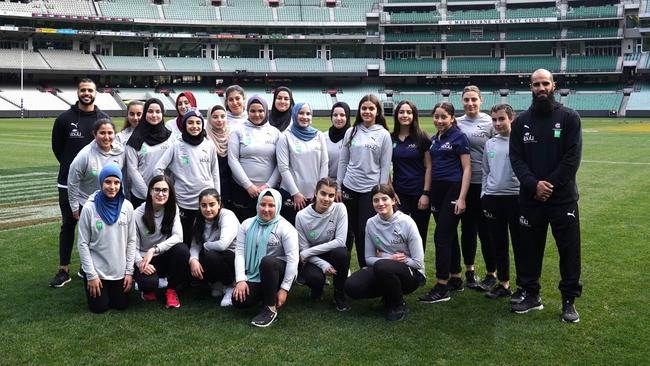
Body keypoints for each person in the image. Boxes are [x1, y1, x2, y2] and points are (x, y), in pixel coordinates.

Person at [509, 69, 583, 323]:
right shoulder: (520, 122)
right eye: (536, 84)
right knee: (529, 250)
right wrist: (533, 185)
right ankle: (531, 295)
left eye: (545, 83)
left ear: (553, 85)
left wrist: (548, 184)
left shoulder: (570, 117)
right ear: (530, 87)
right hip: (530, 199)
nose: (541, 88)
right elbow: (516, 159)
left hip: (563, 199)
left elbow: (572, 158)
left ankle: (569, 301)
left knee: (569, 251)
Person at [50, 78, 109, 288]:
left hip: (96, 187)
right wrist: (72, 168)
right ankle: (63, 270)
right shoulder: (65, 119)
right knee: (68, 225)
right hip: (68, 183)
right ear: (78, 92)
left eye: (90, 90)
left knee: (96, 228)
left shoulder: (103, 118)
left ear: (96, 92)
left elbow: (108, 148)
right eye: (83, 90)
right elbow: (57, 147)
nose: (86, 93)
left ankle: (87, 268)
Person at [344, 184, 425, 322]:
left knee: (383, 266)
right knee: (351, 286)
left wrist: (385, 258)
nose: (380, 203)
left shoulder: (407, 222)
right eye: (376, 200)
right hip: (383, 266)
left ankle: (397, 304)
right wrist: (390, 258)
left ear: (393, 200)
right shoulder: (370, 223)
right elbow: (368, 258)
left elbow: (418, 262)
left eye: (385, 199)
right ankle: (389, 293)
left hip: (411, 273)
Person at [418, 102, 471, 304]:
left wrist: (462, 197)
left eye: (443, 117)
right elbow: (430, 167)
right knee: (449, 236)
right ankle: (456, 277)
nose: (439, 121)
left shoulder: (459, 137)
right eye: (436, 117)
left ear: (451, 118)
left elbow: (466, 168)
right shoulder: (434, 139)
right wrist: (427, 192)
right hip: (437, 192)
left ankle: (442, 285)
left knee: (441, 236)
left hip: (453, 189)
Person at [337, 94, 392, 268]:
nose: (367, 111)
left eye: (371, 108)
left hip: (370, 191)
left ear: (377, 111)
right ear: (359, 110)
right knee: (347, 231)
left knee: (364, 231)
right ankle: (342, 270)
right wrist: (339, 186)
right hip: (349, 187)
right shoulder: (351, 131)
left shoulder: (383, 134)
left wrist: (381, 192)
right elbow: (343, 161)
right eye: (364, 108)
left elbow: (385, 165)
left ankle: (365, 267)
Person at [232, 188, 299, 328]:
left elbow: (293, 259)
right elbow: (239, 253)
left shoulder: (286, 228)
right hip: (255, 273)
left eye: (271, 205)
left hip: (277, 270)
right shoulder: (246, 224)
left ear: (278, 206)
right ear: (257, 205)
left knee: (268, 261)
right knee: (239, 301)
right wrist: (240, 280)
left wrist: (284, 289)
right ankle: (266, 293)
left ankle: (270, 308)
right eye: (263, 204)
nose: (266, 209)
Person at [155, 109, 220, 245]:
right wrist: (168, 190)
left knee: (203, 239)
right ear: (184, 125)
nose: (194, 126)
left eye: (198, 122)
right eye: (190, 122)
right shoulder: (176, 146)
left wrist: (217, 197)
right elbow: (158, 168)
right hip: (183, 202)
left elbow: (215, 174)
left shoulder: (209, 146)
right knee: (184, 239)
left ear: (202, 125)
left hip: (205, 203)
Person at [77, 165, 135, 313]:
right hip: (97, 272)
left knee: (121, 305)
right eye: (108, 182)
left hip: (120, 272)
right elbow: (83, 244)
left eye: (116, 182)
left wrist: (129, 272)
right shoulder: (89, 208)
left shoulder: (127, 207)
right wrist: (91, 275)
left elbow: (131, 240)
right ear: (101, 182)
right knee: (99, 308)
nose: (112, 187)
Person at [455, 85, 497, 291]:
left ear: (481, 101)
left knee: (487, 230)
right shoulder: (456, 123)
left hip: (486, 183)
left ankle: (491, 273)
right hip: (464, 185)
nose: (470, 103)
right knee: (468, 229)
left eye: (474, 99)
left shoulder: (490, 122)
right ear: (461, 101)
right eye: (466, 100)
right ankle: (469, 271)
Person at [482, 104, 521, 301]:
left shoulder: (520, 141)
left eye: (501, 119)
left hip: (516, 199)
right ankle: (504, 283)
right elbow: (486, 171)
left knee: (520, 243)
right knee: (499, 243)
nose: (497, 123)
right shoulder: (490, 144)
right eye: (494, 119)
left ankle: (523, 286)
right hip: (493, 199)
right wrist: (484, 193)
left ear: (511, 118)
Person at [133, 175, 190, 309]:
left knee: (182, 250)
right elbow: (131, 246)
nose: (161, 194)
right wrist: (140, 263)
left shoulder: (173, 209)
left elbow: (178, 237)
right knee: (148, 285)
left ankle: (171, 290)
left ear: (170, 193)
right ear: (150, 192)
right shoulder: (137, 214)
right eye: (157, 190)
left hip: (161, 255)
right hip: (144, 259)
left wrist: (154, 249)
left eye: (165, 190)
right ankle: (147, 287)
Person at [294, 178, 350, 311]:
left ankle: (339, 294)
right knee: (315, 279)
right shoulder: (301, 216)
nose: (327, 199)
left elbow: (340, 241)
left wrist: (307, 252)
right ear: (315, 193)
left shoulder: (340, 208)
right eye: (323, 194)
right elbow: (304, 248)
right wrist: (323, 264)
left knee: (342, 253)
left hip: (331, 252)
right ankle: (317, 289)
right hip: (313, 257)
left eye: (331, 195)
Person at [228, 95, 280, 221]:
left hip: (268, 192)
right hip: (243, 191)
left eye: (261, 111)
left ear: (266, 111)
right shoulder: (238, 131)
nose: (257, 114)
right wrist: (248, 185)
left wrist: (268, 185)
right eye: (253, 111)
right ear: (248, 112)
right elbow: (233, 159)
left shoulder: (275, 132)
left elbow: (281, 163)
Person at [276, 102, 328, 225]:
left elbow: (324, 163)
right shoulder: (285, 137)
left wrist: (320, 191)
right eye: (301, 113)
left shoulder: (319, 135)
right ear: (294, 114)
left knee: (313, 233)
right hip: (292, 195)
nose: (305, 117)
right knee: (292, 234)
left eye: (308, 114)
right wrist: (295, 193)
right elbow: (283, 168)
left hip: (315, 195)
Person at [390, 100, 432, 251]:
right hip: (399, 194)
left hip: (419, 193)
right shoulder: (391, 138)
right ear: (396, 115)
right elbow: (384, 167)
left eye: (408, 112)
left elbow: (429, 167)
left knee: (419, 233)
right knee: (399, 234)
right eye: (401, 112)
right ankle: (402, 269)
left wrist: (425, 193)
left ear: (414, 116)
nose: (405, 115)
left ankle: (418, 270)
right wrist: (391, 192)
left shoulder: (422, 138)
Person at [67, 119, 126, 221]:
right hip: (88, 203)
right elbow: (72, 182)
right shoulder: (85, 155)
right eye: (102, 133)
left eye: (110, 133)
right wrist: (75, 208)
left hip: (112, 202)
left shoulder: (121, 152)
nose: (107, 137)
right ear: (94, 134)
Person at [190, 188, 240, 307]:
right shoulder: (199, 219)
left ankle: (229, 287)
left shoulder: (227, 215)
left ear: (219, 204)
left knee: (211, 255)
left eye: (212, 204)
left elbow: (223, 245)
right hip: (215, 255)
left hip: (233, 256)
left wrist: (205, 245)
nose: (208, 209)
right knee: (197, 261)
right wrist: (193, 260)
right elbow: (194, 245)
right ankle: (217, 284)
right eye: (204, 205)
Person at [126, 98, 173, 209]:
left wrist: (162, 192)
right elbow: (132, 170)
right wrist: (148, 194)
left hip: (164, 194)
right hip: (140, 195)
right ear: (145, 113)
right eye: (150, 111)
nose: (154, 115)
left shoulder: (171, 138)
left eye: (158, 111)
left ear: (162, 114)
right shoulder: (134, 140)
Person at [206, 105, 235, 209]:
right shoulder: (205, 138)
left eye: (223, 116)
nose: (219, 120)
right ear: (209, 118)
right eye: (215, 117)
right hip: (212, 187)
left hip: (231, 188)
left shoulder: (232, 135)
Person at [325, 102, 351, 180]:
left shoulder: (354, 137)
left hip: (348, 183)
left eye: (342, 115)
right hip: (328, 183)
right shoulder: (323, 137)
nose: (338, 118)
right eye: (335, 115)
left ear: (348, 116)